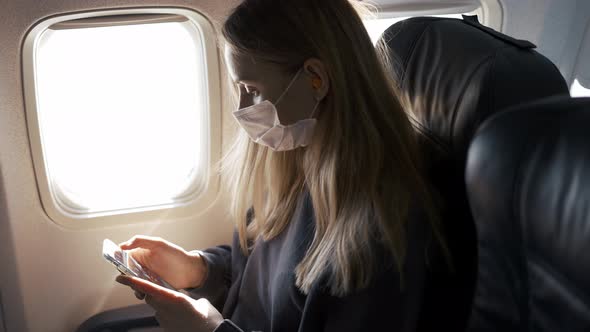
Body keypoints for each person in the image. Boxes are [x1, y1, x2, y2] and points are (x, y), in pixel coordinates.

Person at [116, 0, 447, 331]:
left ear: (315, 78)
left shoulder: (382, 230)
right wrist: (197, 269)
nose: (242, 109)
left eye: (252, 90)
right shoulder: (298, 160)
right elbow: (259, 278)